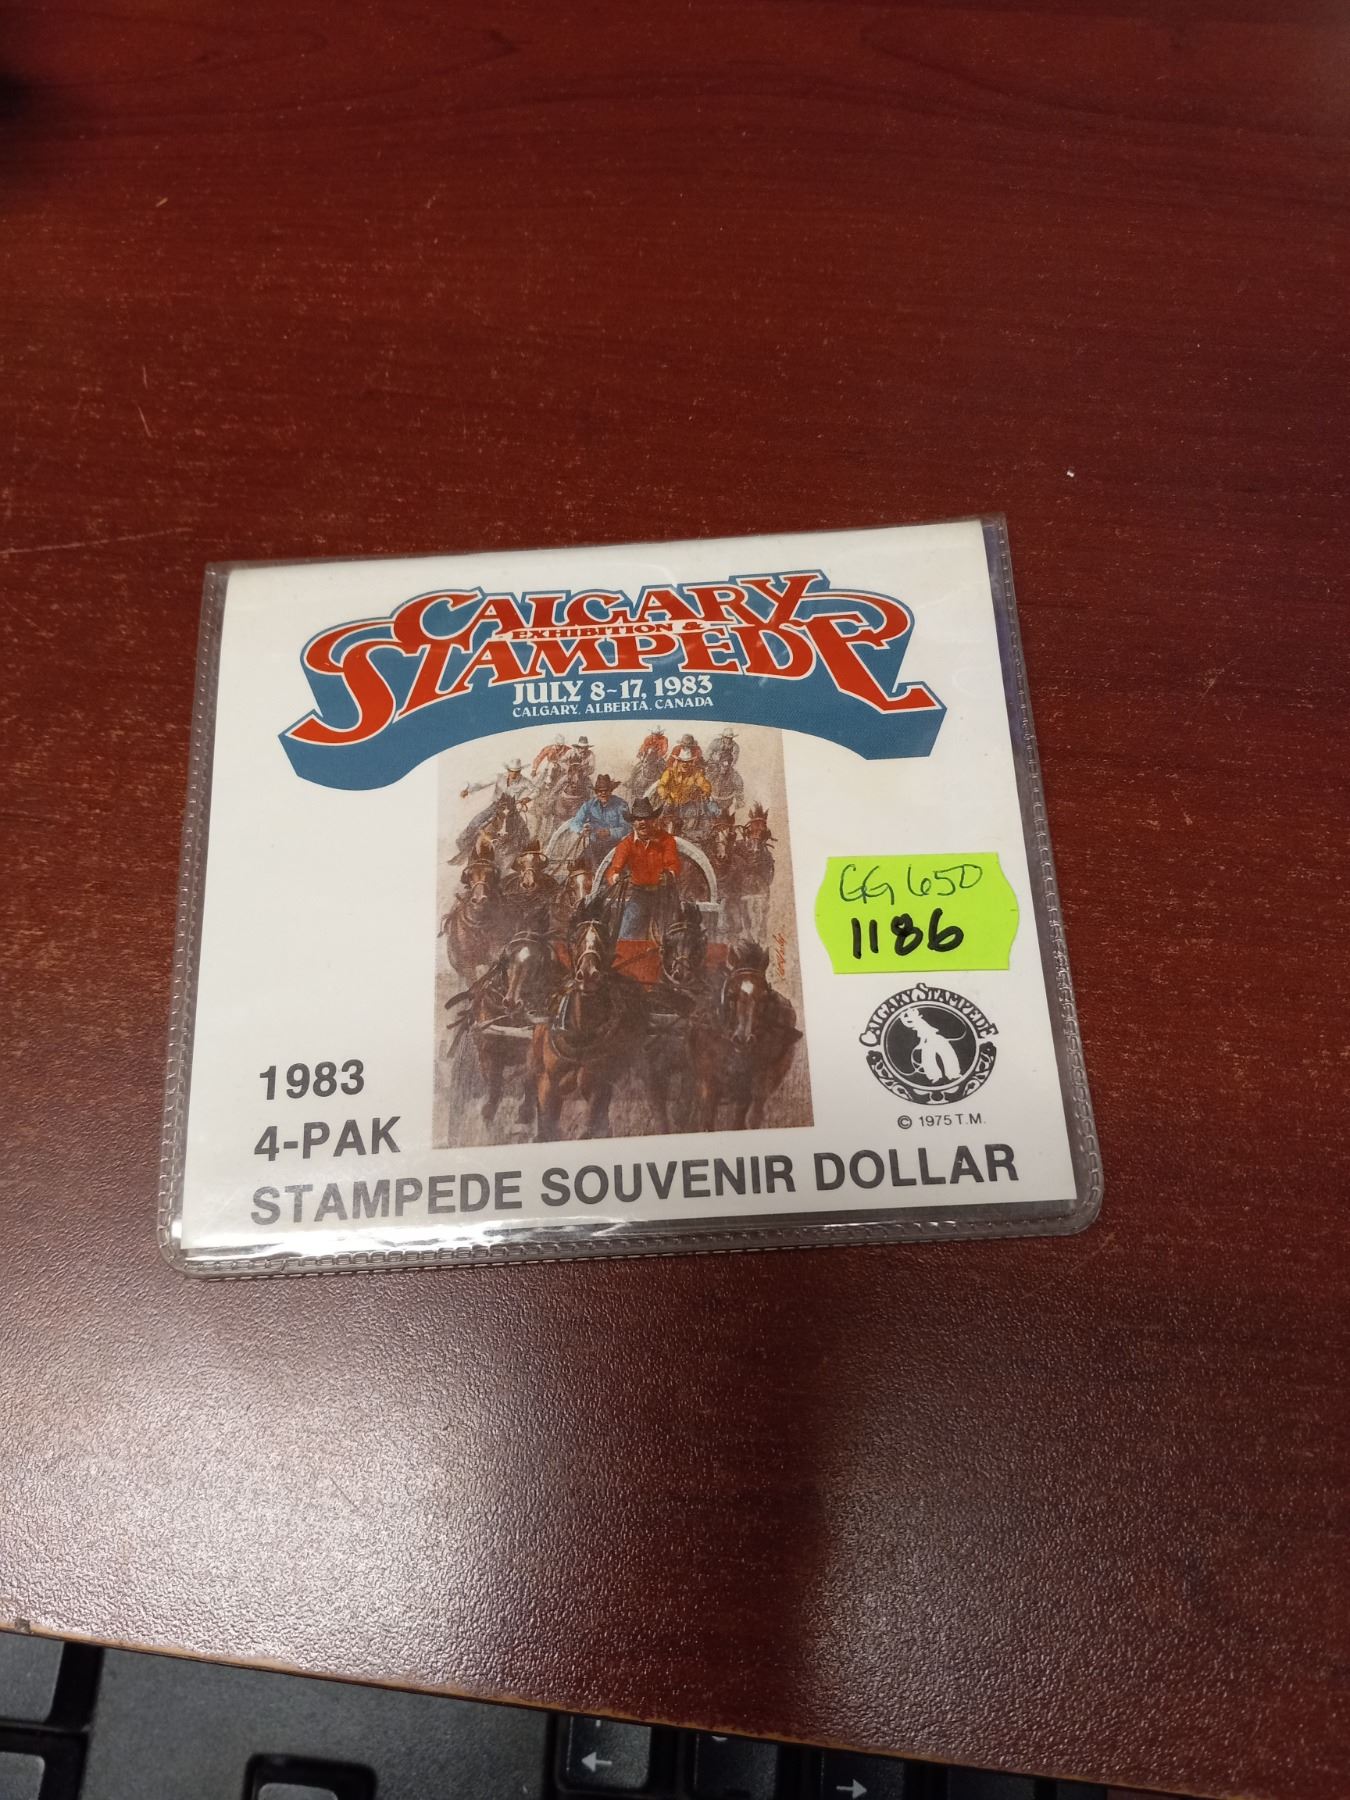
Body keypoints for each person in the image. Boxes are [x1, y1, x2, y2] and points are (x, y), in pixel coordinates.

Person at [606, 797, 680, 939]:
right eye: (638, 819)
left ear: (653, 820)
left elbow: (673, 863)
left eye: (646, 818)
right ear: (633, 822)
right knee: (625, 933)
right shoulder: (626, 844)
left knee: (674, 934)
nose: (643, 822)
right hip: (639, 896)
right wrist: (616, 877)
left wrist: (669, 875)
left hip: (664, 895)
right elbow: (615, 867)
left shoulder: (666, 840)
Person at [454, 757, 534, 861]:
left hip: (512, 809)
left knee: (524, 831)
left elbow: (536, 790)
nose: (514, 774)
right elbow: (481, 784)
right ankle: (464, 845)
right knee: (476, 821)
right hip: (495, 806)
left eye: (517, 771)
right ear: (508, 770)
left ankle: (521, 857)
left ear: (520, 771)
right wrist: (468, 790)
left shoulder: (525, 781)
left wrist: (528, 798)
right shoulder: (498, 777)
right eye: (512, 771)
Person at [567, 774, 631, 862]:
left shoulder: (621, 805)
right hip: (594, 847)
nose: (603, 793)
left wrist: (609, 832)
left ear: (610, 791)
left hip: (615, 847)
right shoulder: (589, 804)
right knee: (578, 866)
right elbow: (574, 823)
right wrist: (582, 829)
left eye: (606, 790)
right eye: (600, 791)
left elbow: (627, 828)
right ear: (596, 792)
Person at [653, 741, 715, 830]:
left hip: (688, 803)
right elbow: (661, 785)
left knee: (703, 814)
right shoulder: (670, 772)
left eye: (688, 762)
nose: (685, 764)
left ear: (691, 762)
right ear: (678, 762)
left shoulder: (695, 773)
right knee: (661, 817)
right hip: (671, 802)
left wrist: (705, 791)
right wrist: (665, 795)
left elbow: (704, 784)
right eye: (682, 761)